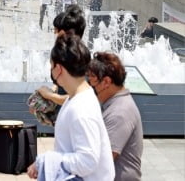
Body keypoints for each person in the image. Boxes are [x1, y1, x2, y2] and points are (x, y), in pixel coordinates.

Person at [27, 33, 115, 180]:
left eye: (51, 66)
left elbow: (87, 161)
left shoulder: (80, 108)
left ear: (59, 69)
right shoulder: (79, 96)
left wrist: (45, 160)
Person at [87, 52, 143, 181]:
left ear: (106, 81)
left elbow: (102, 160)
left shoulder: (119, 112)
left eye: (93, 84)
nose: (91, 89)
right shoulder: (114, 103)